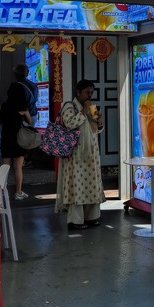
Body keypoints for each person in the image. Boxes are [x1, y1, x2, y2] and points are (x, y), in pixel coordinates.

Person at [55, 79, 105, 229]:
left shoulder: (91, 108)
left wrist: (100, 122)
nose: (89, 96)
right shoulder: (69, 107)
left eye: (91, 92)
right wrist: (83, 111)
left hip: (91, 153)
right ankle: (75, 221)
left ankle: (92, 217)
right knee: (77, 186)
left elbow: (97, 130)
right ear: (78, 93)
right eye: (86, 92)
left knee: (92, 185)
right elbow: (70, 124)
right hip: (75, 155)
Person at [0, 80, 34, 200]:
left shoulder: (3, 106)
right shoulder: (23, 108)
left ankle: (2, 192)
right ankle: (18, 192)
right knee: (18, 167)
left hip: (6, 139)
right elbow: (31, 123)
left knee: (5, 167)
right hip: (19, 140)